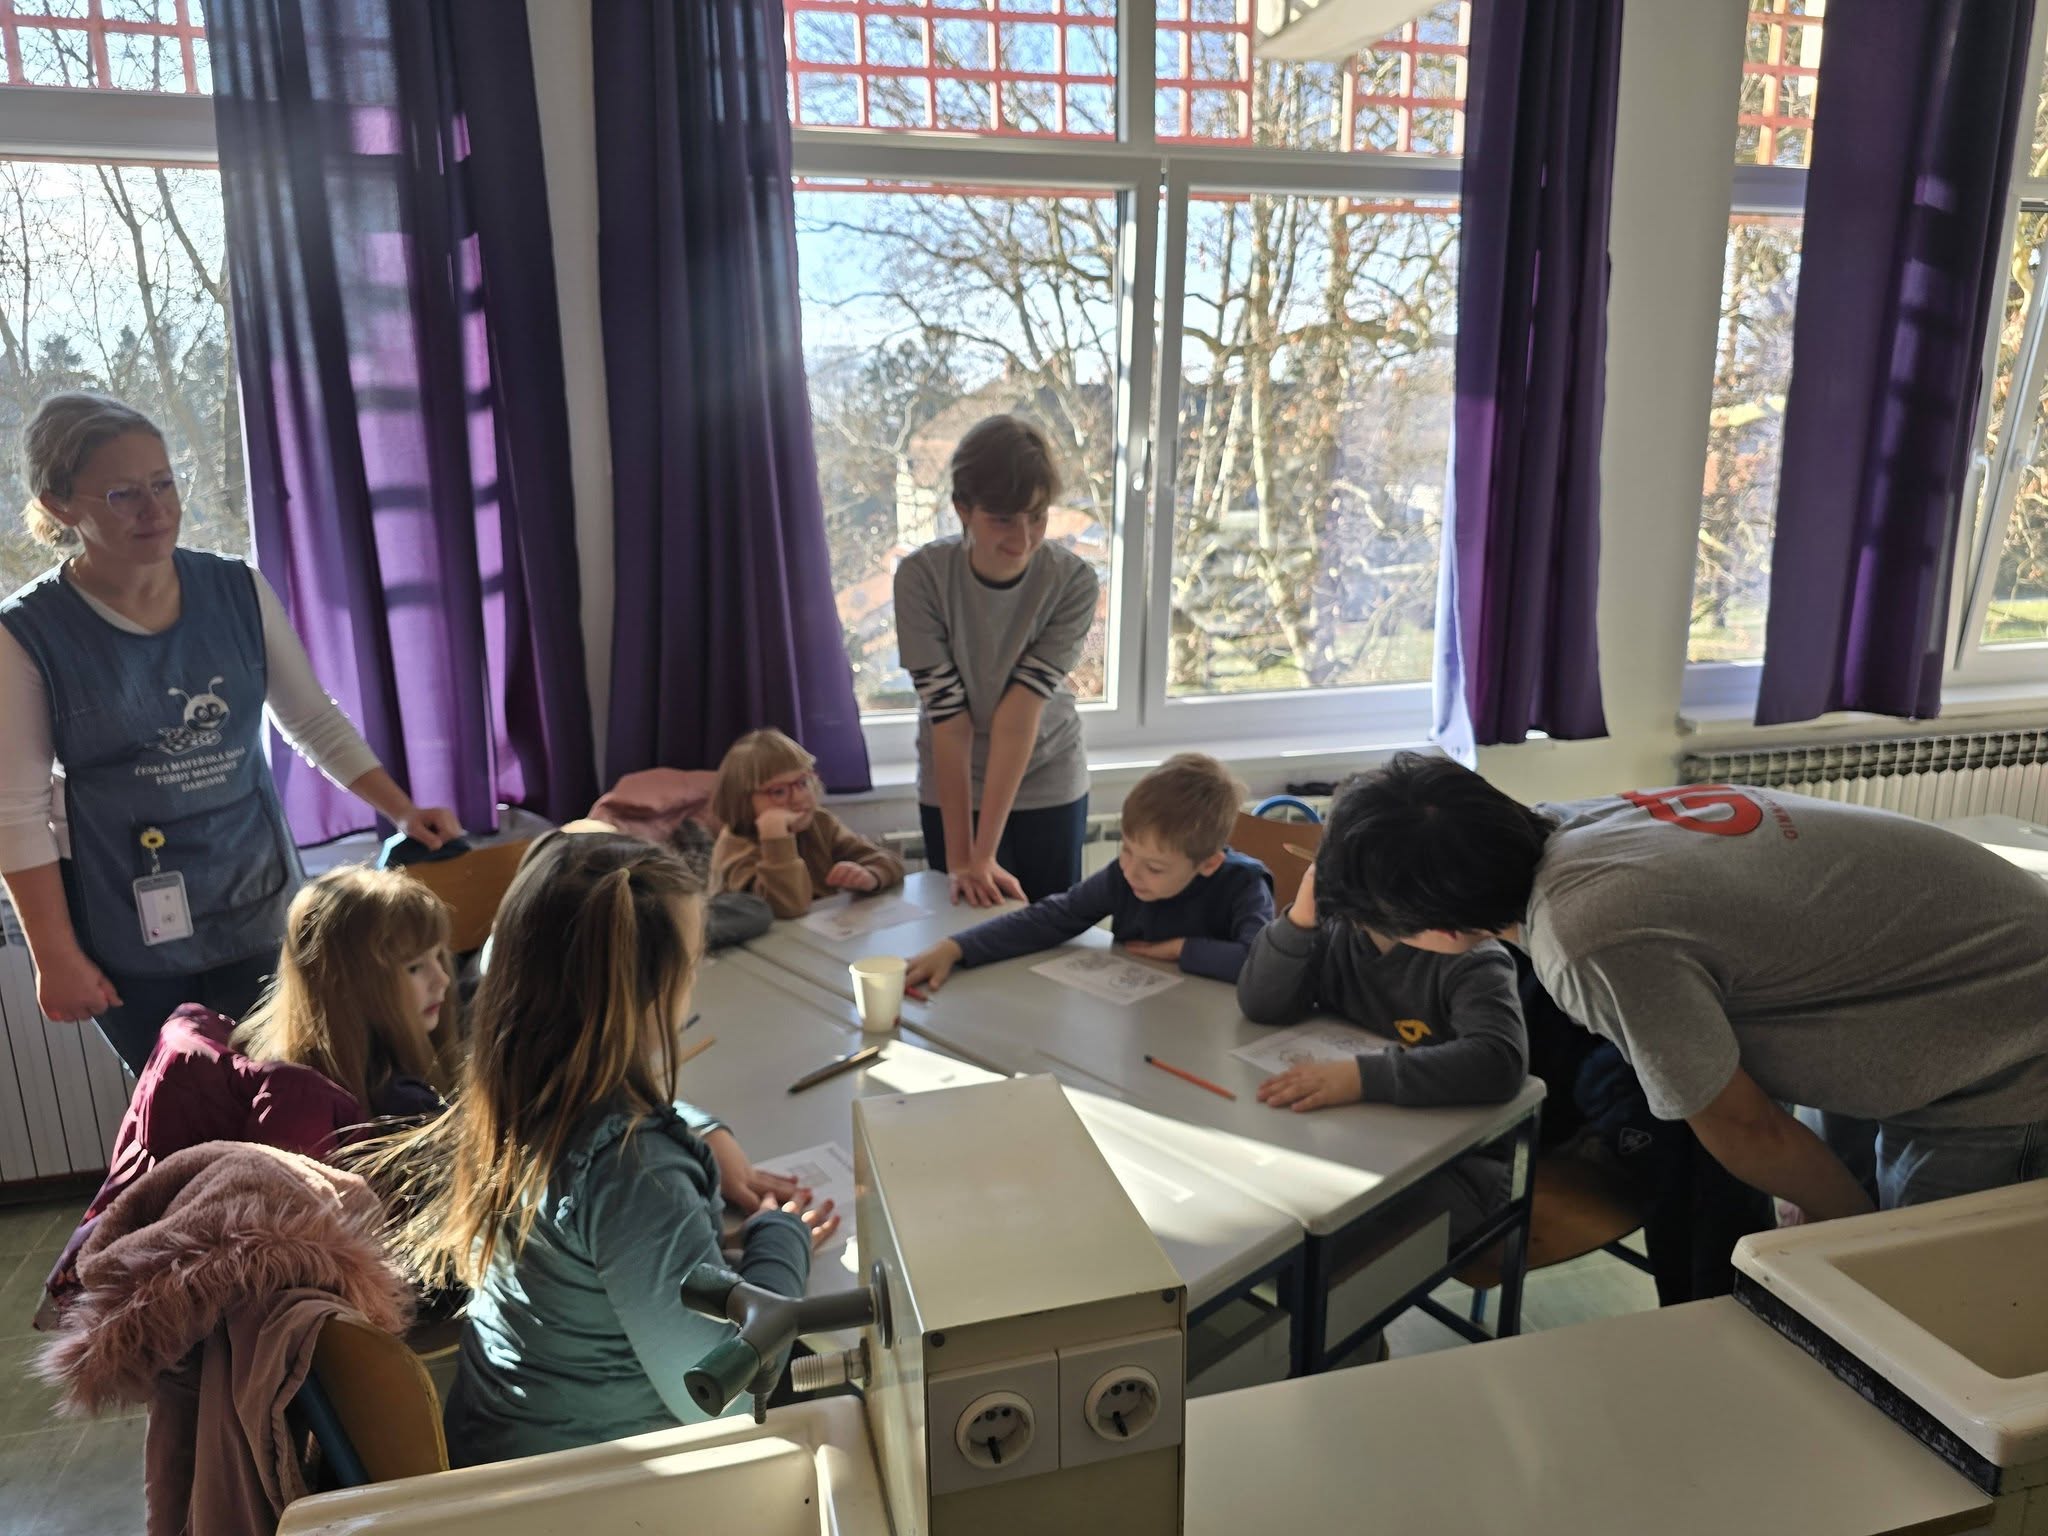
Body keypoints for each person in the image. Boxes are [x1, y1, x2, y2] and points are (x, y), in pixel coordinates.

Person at [1327, 751, 2048, 1218]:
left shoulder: (1587, 937)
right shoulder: (1574, 823)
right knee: (1846, 1219)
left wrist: (1851, 1248)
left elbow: (1746, 1127)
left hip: (2002, 1043)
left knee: (1916, 1302)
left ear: (1442, 930)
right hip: (1921, 993)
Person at [0, 392, 460, 1072]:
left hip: (257, 901)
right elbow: (16, 810)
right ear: (61, 504)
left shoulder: (237, 590)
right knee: (189, 1109)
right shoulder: (25, 635)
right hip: (127, 925)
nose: (156, 510)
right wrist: (54, 956)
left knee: (294, 1093)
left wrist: (401, 809)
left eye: (164, 483)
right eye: (124, 494)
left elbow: (310, 718)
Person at [359, 830, 837, 1465]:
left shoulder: (512, 1094)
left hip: (500, 1453)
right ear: (652, 993)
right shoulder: (637, 1171)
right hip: (590, 1486)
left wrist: (701, 1129)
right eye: (693, 965)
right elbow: (722, 1397)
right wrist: (780, 1241)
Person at [43, 866, 455, 1310]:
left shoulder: (274, 1060)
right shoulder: (363, 1103)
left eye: (440, 958)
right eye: (416, 967)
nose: (443, 980)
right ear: (351, 983)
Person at [1241, 777, 1529, 1246]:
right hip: (1350, 1143)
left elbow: (1499, 1061)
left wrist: (1360, 1077)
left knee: (1320, 1245)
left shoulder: (1469, 957)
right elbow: (1261, 1004)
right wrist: (1301, 916)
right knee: (1272, 1215)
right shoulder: (1334, 929)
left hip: (1457, 1170)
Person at [894, 414, 1099, 907]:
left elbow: (1017, 716)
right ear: (963, 509)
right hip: (952, 782)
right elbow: (950, 721)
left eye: (1037, 516)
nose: (1023, 539)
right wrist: (965, 859)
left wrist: (983, 855)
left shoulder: (1073, 582)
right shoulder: (921, 579)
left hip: (1047, 775)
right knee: (961, 922)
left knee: (1047, 929)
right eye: (1003, 519)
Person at [906, 753, 1273, 990]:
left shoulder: (1244, 885)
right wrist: (957, 947)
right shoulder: (1123, 877)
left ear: (1209, 863)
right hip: (1144, 1013)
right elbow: (1052, 917)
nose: (1131, 872)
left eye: (1154, 868)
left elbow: (1264, 966)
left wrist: (1183, 949)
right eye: (1126, 850)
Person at [709, 728, 905, 918]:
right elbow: (787, 906)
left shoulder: (820, 823)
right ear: (741, 800)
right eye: (778, 791)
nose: (798, 798)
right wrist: (775, 837)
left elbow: (889, 861)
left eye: (803, 783)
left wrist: (870, 875)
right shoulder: (735, 848)